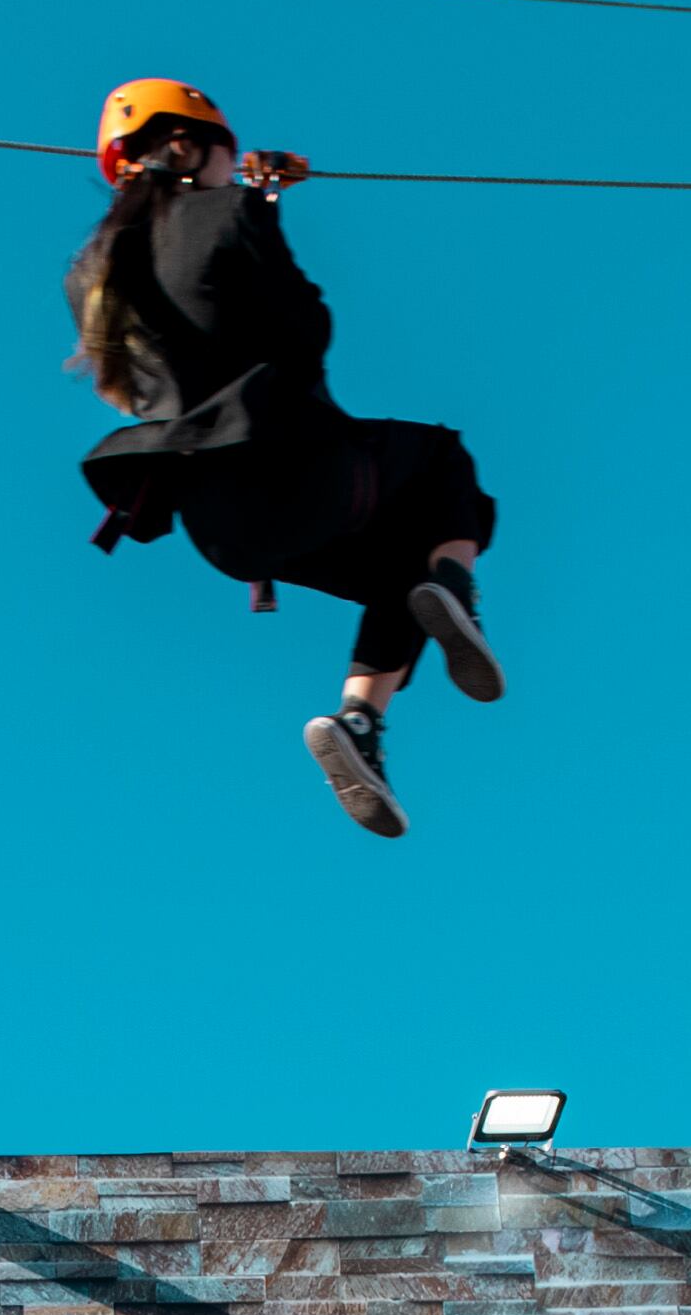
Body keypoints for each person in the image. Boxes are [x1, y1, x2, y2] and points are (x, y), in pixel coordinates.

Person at [72, 79, 506, 846]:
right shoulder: (227, 212)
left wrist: (253, 205)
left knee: (400, 576)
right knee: (444, 461)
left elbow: (195, 315)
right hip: (291, 475)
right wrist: (258, 210)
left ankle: (359, 724)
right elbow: (302, 331)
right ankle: (456, 588)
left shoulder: (96, 276)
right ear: (186, 143)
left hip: (218, 528)